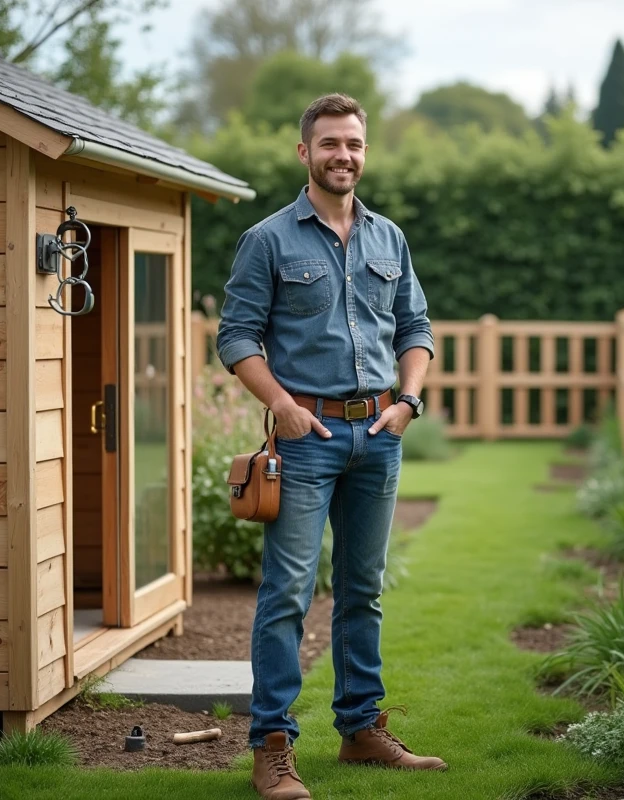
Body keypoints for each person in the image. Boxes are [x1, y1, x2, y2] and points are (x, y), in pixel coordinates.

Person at [215, 93, 443, 800]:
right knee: (286, 593)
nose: (343, 155)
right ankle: (272, 748)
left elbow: (417, 326)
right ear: (304, 153)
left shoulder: (389, 238)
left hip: (379, 436)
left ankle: (360, 732)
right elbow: (236, 337)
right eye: (330, 144)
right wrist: (280, 405)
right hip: (305, 441)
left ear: (364, 151)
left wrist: (408, 402)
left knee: (363, 592)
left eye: (354, 144)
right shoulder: (269, 239)